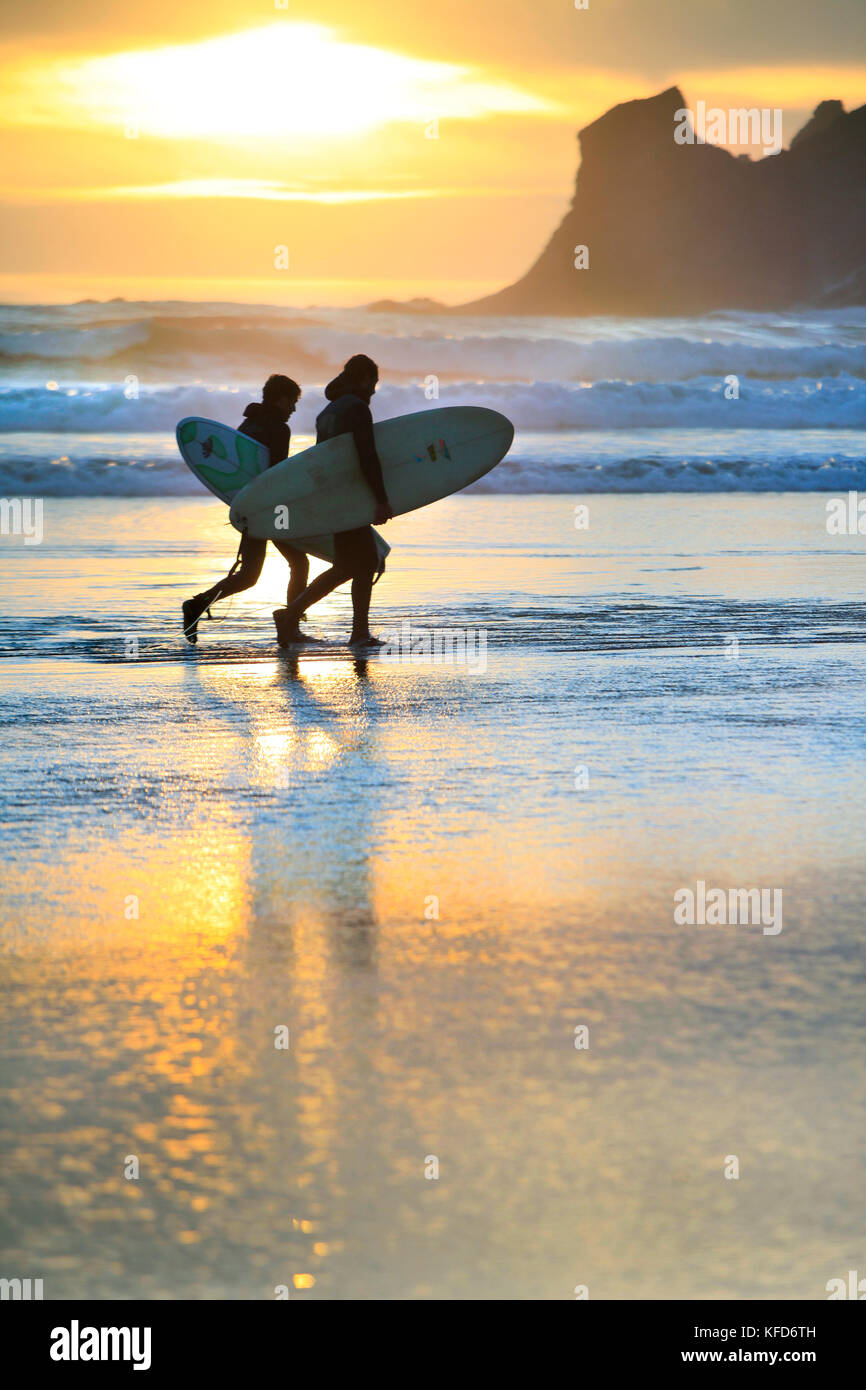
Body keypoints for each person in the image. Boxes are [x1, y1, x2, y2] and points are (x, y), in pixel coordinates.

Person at [273, 354, 392, 650]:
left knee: (351, 565)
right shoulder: (357, 409)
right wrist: (380, 499)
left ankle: (296, 617)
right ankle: (349, 631)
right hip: (350, 496)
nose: (374, 390)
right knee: (362, 562)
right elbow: (366, 455)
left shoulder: (328, 411)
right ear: (364, 379)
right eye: (373, 383)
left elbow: (320, 460)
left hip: (333, 495)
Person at [182, 374, 310, 644]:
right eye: (293, 402)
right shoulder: (278, 428)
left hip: (249, 506)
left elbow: (238, 470)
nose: (294, 409)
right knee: (298, 562)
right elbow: (275, 474)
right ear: (281, 399)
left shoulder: (249, 424)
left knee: (250, 575)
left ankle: (198, 604)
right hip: (269, 508)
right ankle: (291, 626)